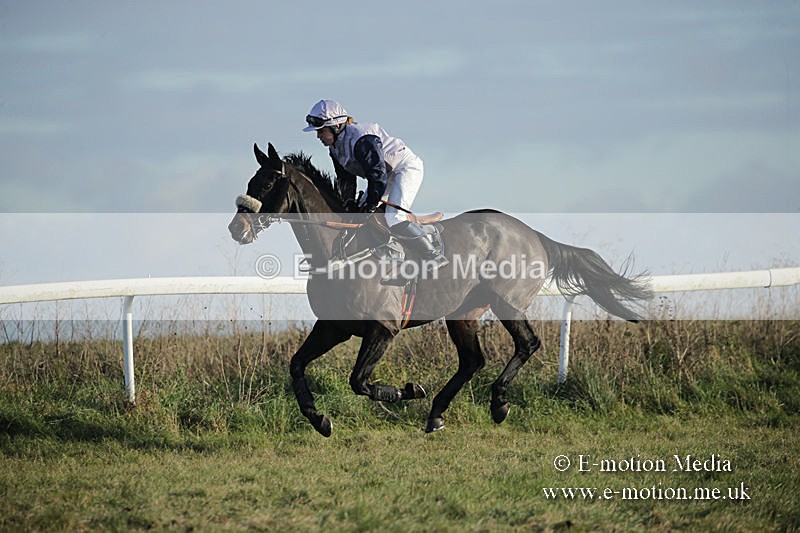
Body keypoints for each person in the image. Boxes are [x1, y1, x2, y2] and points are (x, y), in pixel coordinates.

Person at [302, 99, 449, 271]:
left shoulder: (362, 140)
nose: (318, 136)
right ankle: (391, 254)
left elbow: (377, 178)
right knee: (360, 213)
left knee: (394, 218)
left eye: (321, 131)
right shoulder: (335, 148)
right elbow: (346, 180)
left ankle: (432, 256)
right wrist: (349, 202)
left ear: (336, 126)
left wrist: (370, 205)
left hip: (405, 169)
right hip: (384, 175)